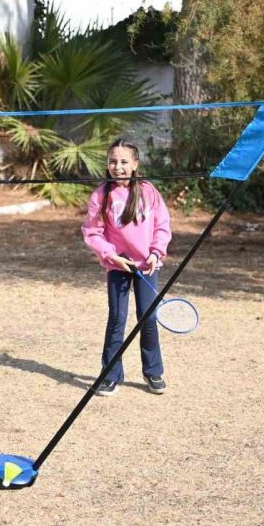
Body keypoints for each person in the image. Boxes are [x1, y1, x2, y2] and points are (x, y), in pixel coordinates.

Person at [82, 139, 172, 396]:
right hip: (118, 266)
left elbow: (162, 225)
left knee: (148, 317)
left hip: (147, 266)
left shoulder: (149, 191)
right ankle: (110, 375)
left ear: (135, 164)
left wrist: (156, 252)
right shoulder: (101, 194)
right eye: (112, 161)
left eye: (123, 162)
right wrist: (111, 255)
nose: (117, 167)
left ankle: (153, 372)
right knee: (117, 319)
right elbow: (92, 232)